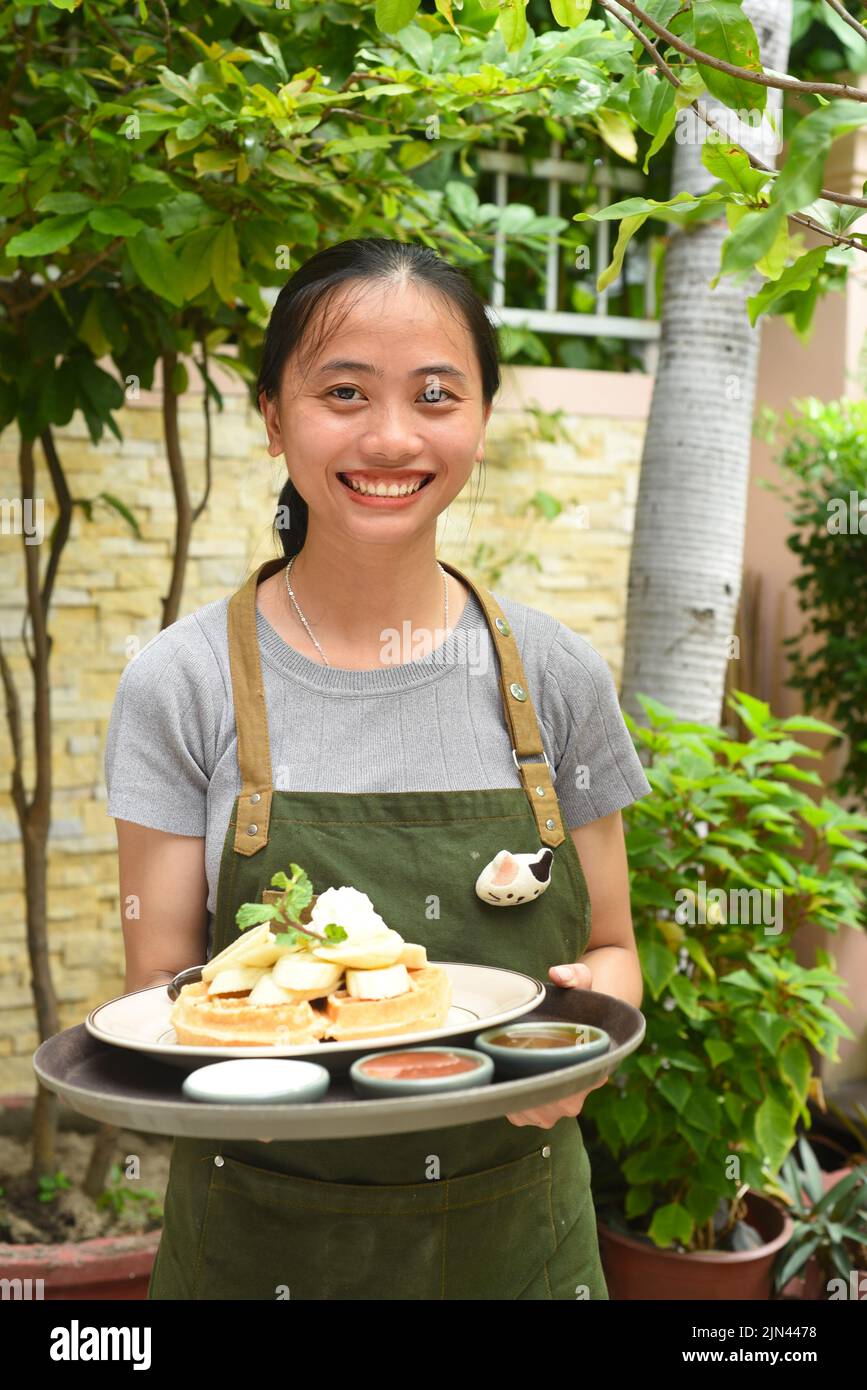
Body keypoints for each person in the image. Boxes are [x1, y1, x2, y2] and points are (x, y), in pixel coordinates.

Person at [105, 236, 651, 1300]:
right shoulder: (183, 682)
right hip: (258, 1240)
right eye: (344, 392)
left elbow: (614, 950)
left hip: (519, 1243)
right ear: (274, 417)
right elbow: (160, 993)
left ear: (482, 416)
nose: (392, 436)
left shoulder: (557, 676)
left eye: (436, 394)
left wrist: (581, 1046)